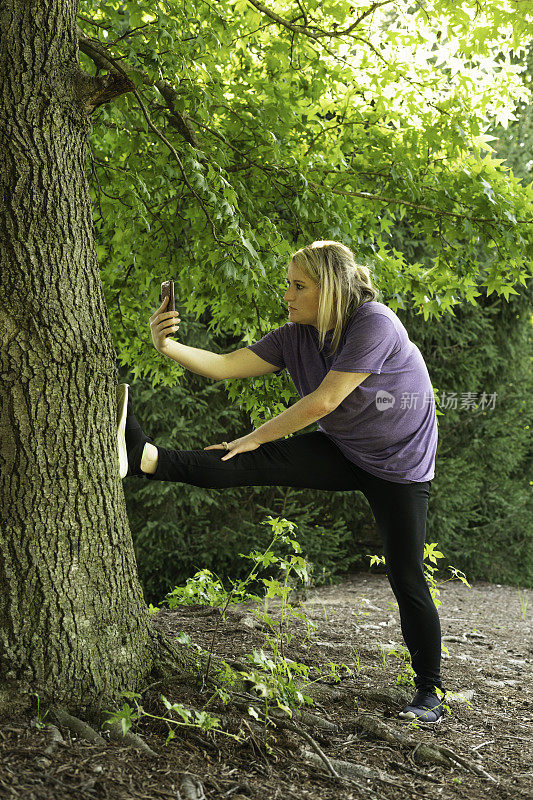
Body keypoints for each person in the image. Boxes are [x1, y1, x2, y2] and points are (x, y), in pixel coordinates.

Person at [117, 240, 446, 724]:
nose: (287, 296)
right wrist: (165, 345)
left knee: (405, 574)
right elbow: (227, 365)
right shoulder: (296, 334)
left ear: (329, 288)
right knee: (246, 460)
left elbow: (324, 402)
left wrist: (255, 436)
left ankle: (431, 691)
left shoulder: (373, 322)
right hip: (344, 449)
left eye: (298, 286)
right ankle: (143, 458)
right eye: (287, 285)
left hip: (400, 465)